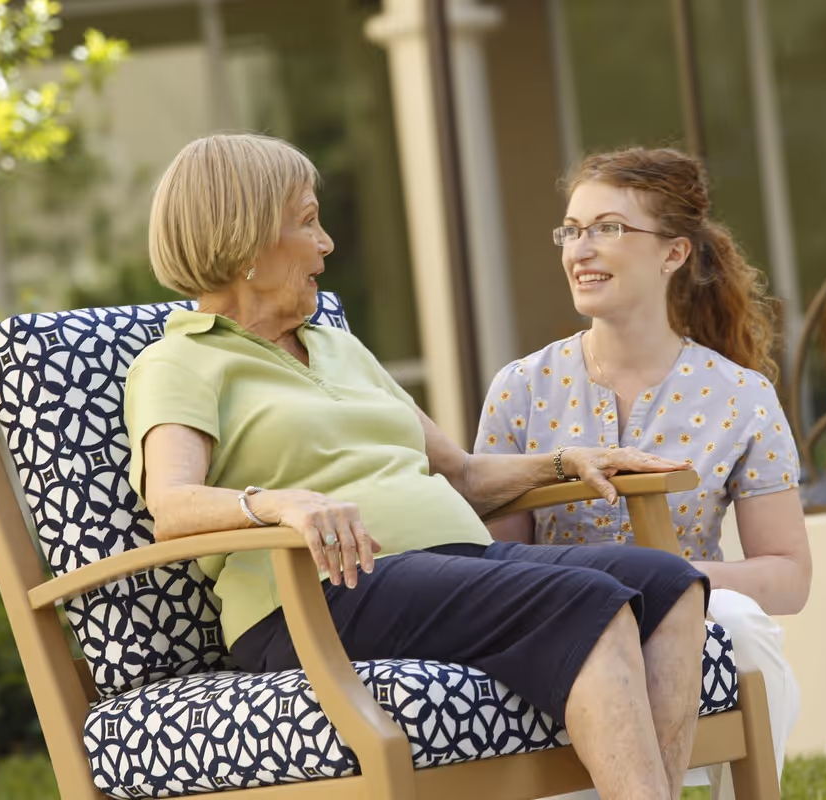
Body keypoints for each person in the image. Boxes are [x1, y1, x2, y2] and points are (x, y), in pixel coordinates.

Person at [124, 133, 714, 800]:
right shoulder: (179, 362)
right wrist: (281, 502)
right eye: (309, 221)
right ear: (248, 239)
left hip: (448, 567)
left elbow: (460, 476)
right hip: (316, 597)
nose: (326, 246)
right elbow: (172, 506)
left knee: (668, 583)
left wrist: (560, 462)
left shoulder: (338, 347)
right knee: (590, 603)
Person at [476, 147, 812, 799]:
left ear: (674, 253)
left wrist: (666, 584)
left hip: (698, 630)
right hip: (562, 638)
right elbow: (493, 560)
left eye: (607, 228)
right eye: (571, 230)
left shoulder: (743, 398)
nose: (581, 249)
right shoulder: (520, 388)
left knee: (744, 626)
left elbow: (789, 575)